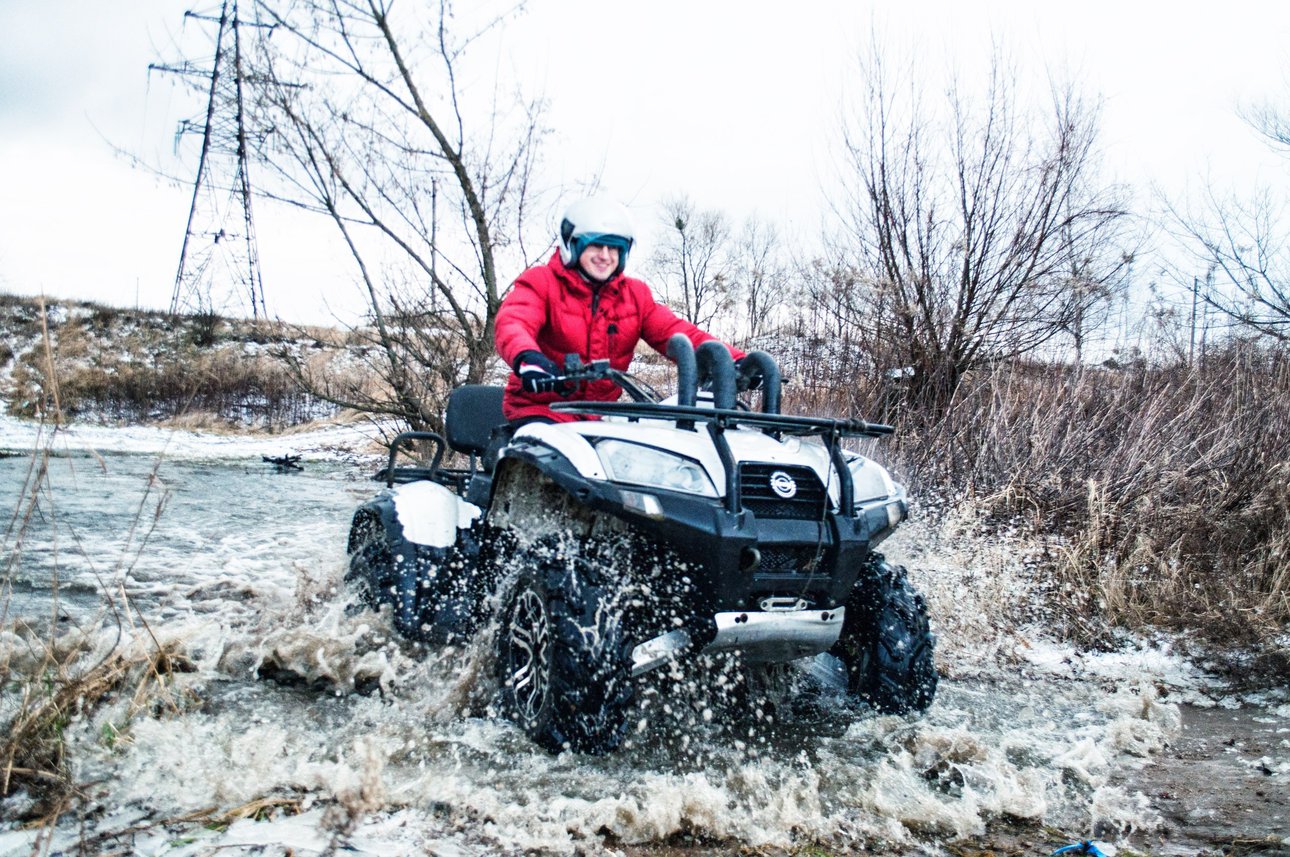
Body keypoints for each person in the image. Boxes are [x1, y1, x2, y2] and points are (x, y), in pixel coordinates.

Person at [494, 196, 746, 425]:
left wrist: (734, 361)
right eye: (596, 246)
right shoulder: (541, 282)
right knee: (554, 467)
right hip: (540, 412)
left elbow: (675, 331)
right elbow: (514, 322)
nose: (605, 255)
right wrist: (528, 358)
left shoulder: (634, 295)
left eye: (614, 247)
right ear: (573, 245)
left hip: (599, 417)